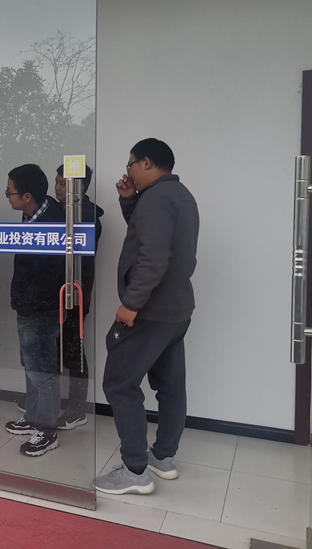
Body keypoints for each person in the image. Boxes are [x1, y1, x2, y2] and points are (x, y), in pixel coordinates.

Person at [94, 139, 199, 495]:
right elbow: (150, 236)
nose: (128, 172)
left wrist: (131, 304)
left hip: (150, 310)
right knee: (170, 386)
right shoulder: (180, 195)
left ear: (147, 163)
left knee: (120, 384)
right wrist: (129, 200)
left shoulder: (157, 198)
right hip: (176, 309)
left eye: (131, 165)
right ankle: (163, 457)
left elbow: (152, 257)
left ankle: (135, 470)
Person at [16, 165, 104, 429]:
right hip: (53, 294)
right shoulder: (53, 211)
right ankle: (42, 403)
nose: (57, 188)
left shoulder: (87, 216)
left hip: (74, 294)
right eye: (56, 182)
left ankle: (77, 408)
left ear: (80, 188)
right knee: (47, 349)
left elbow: (78, 261)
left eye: (63, 184)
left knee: (73, 349)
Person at [4, 164, 66, 457]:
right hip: (28, 306)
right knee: (31, 366)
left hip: (40, 309)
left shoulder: (53, 221)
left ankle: (47, 430)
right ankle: (32, 417)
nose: (8, 196)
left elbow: (47, 275)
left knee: (43, 371)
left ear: (26, 196)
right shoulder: (33, 214)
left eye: (10, 192)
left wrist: (26, 302)